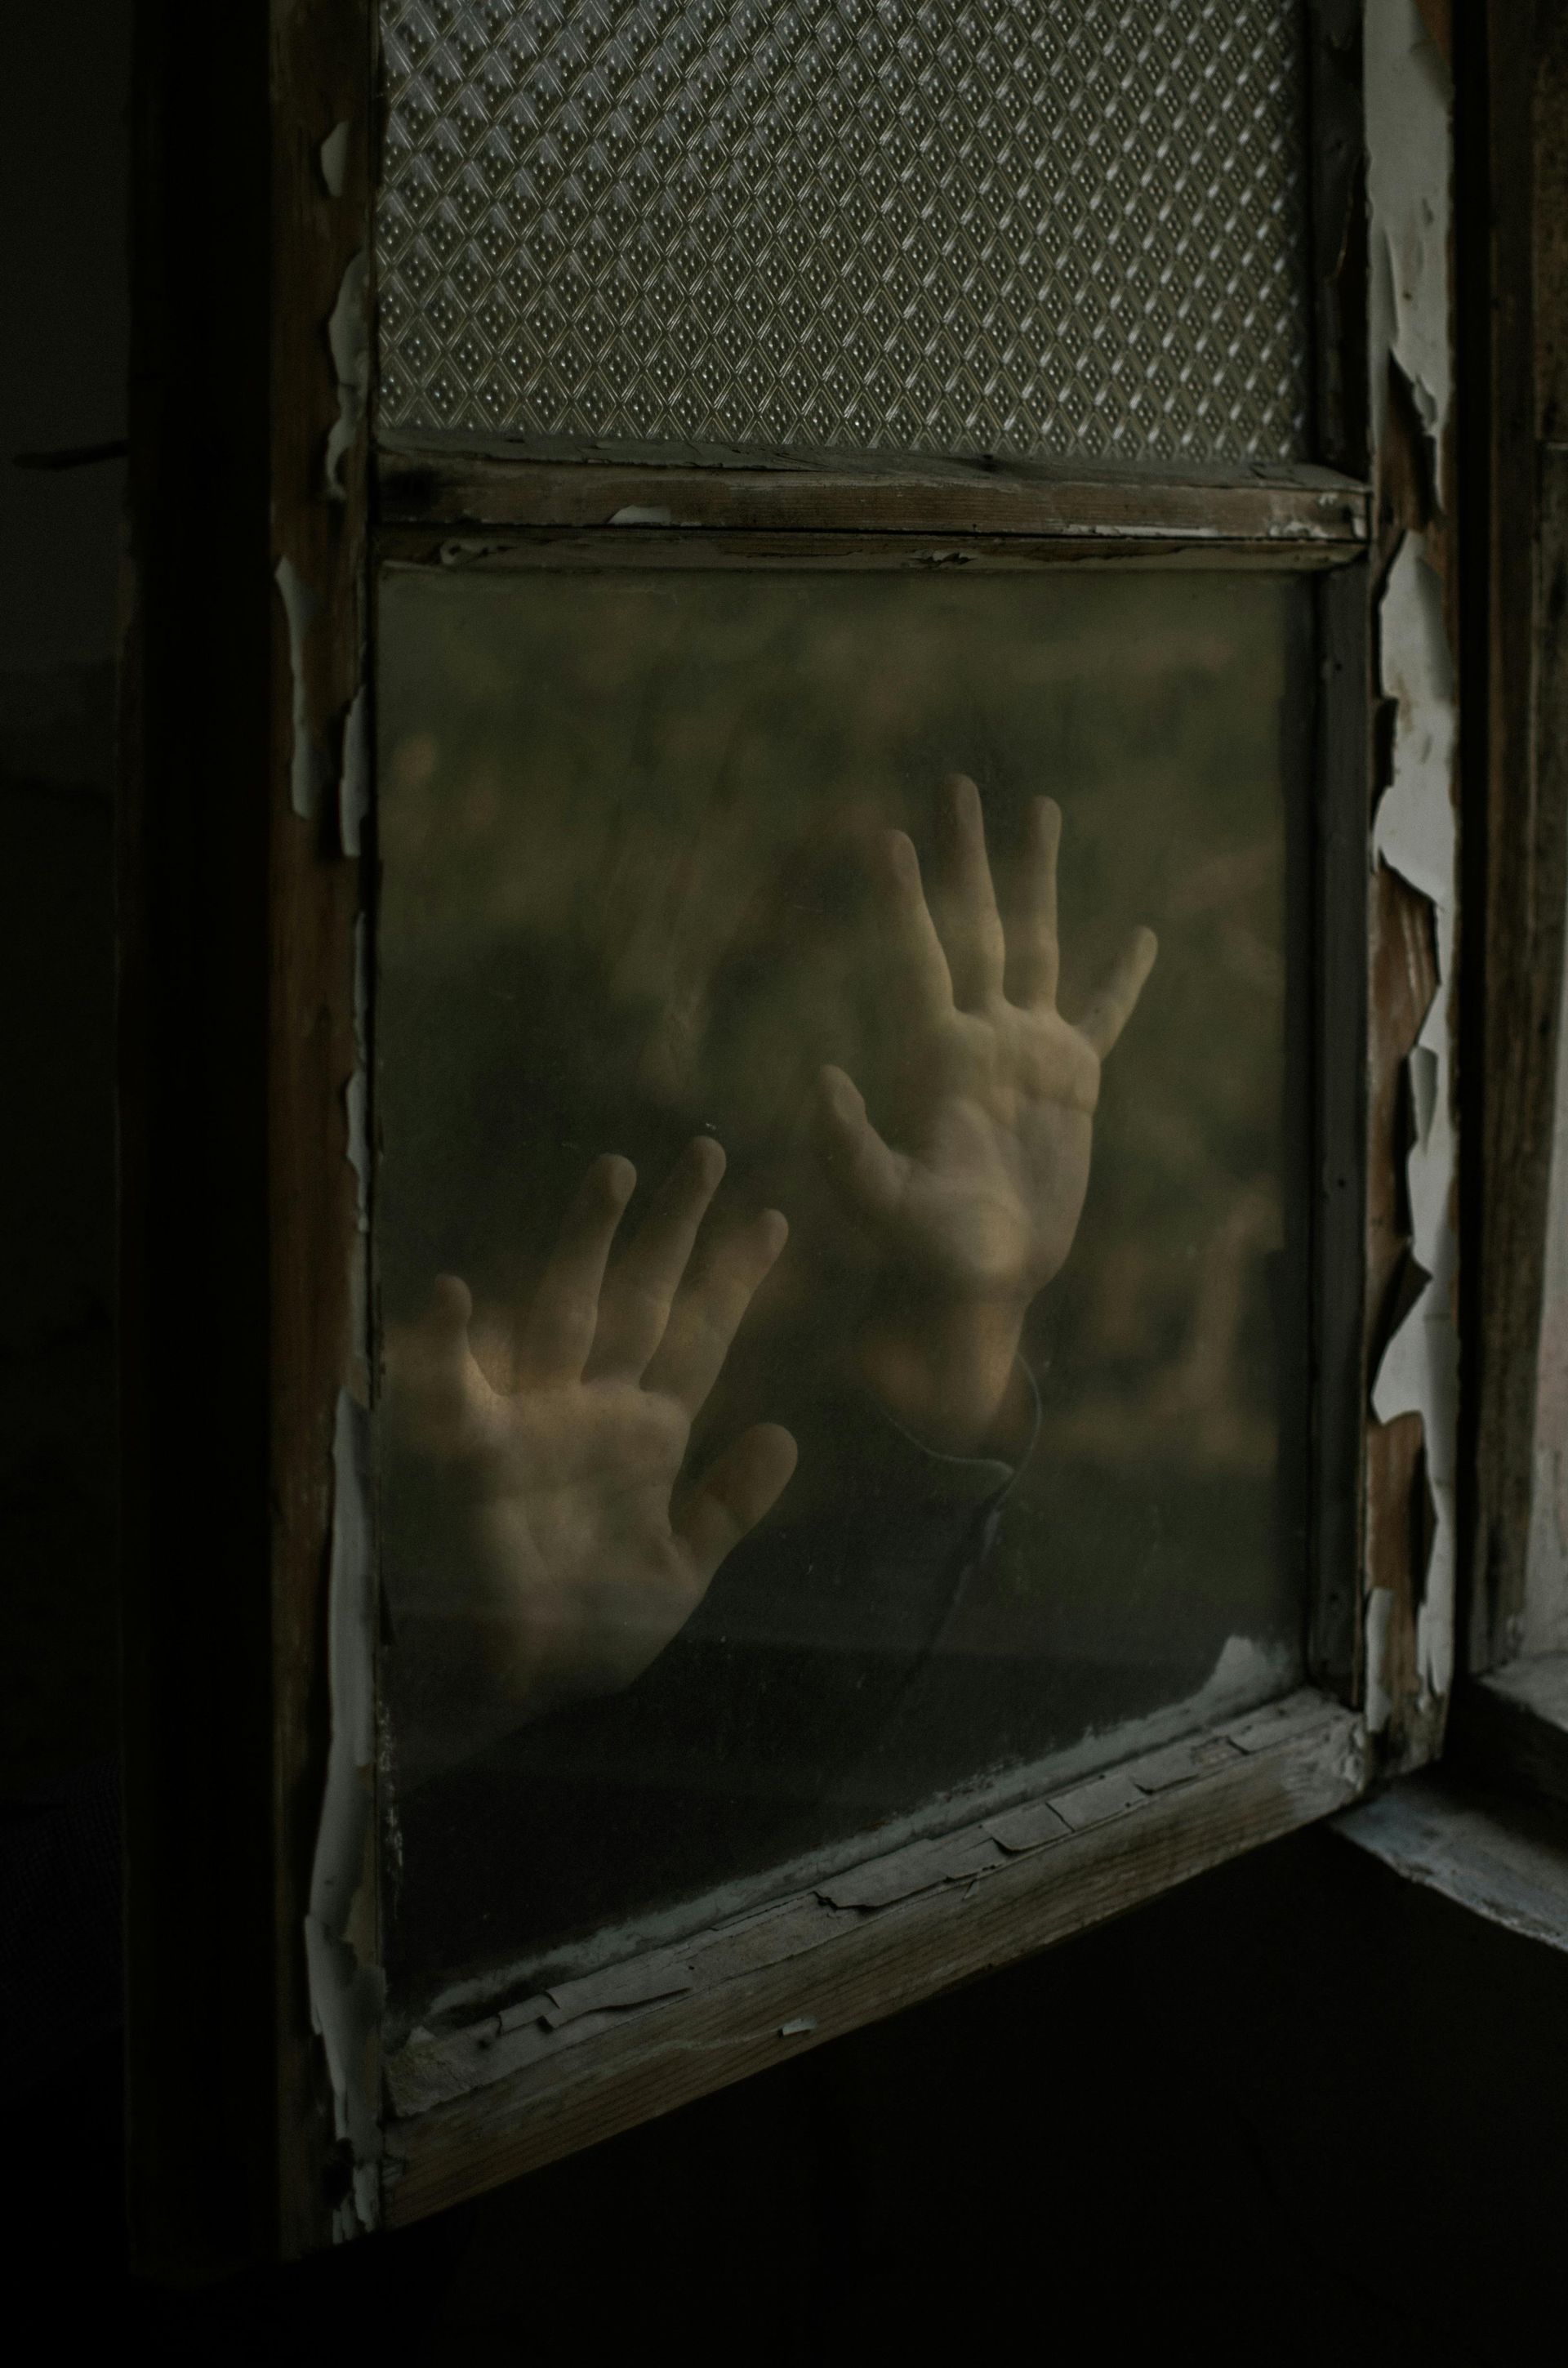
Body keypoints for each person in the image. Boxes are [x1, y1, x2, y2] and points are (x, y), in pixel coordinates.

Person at [383, 778, 1156, 1972]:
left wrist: (974, 1318)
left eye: (589, 1341)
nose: (542, 1409)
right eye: (498, 1333)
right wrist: (441, 1678)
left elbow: (782, 1791)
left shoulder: (649, 1620)